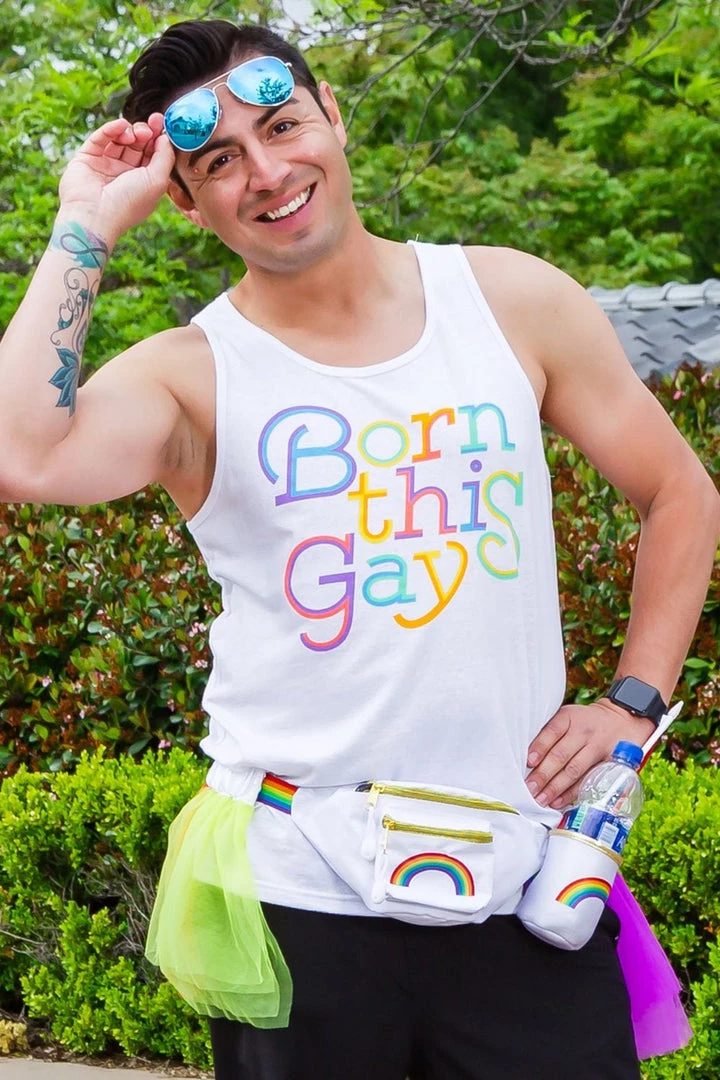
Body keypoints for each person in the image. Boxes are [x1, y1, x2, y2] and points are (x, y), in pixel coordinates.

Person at [0, 17, 717, 1080]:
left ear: (333, 115)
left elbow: (679, 491)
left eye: (283, 126)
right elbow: (21, 452)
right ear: (186, 201)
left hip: (527, 877)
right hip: (301, 891)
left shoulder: (511, 301)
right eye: (218, 162)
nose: (267, 172)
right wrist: (87, 221)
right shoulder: (192, 374)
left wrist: (632, 707)